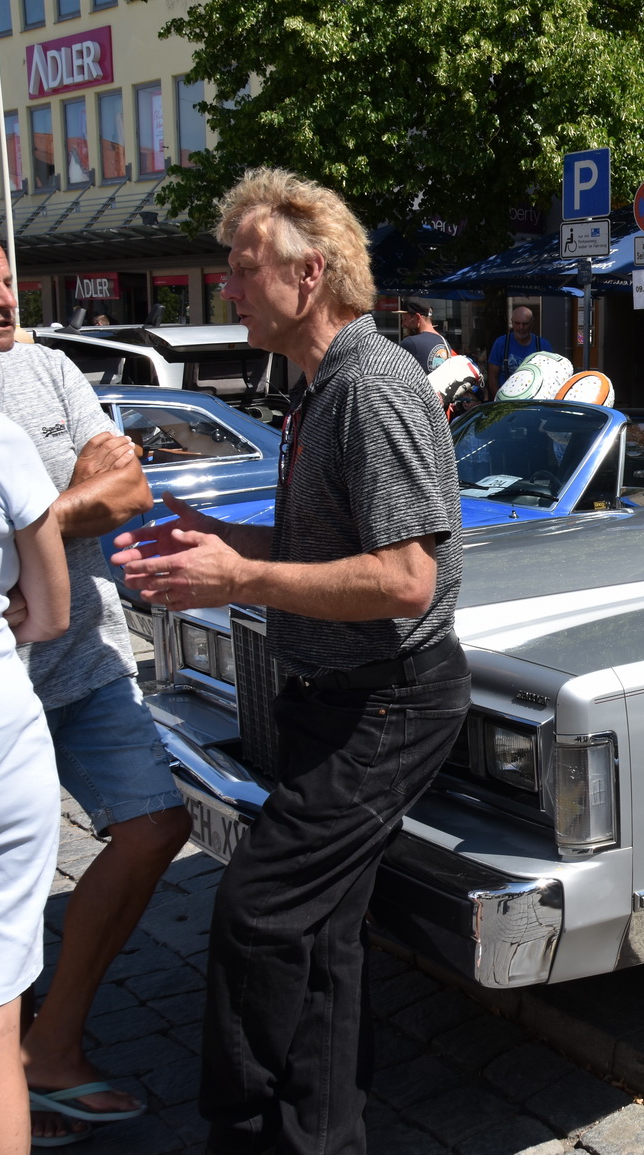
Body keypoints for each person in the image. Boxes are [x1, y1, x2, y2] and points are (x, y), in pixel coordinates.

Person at [111, 168, 467, 1155]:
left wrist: (238, 576)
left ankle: (244, 1128)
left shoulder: (372, 385)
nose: (227, 284)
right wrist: (222, 538)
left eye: (243, 265)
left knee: (258, 912)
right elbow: (327, 551)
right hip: (333, 701)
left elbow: (405, 581)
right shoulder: (317, 389)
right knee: (320, 938)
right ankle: (320, 1136)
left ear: (310, 275)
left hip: (386, 706)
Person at [0, 216, 178, 1147]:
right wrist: (47, 516)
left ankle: (49, 1044)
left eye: (6, 281)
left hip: (79, 662)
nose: (5, 300)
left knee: (155, 826)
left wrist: (15, 524)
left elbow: (131, 489)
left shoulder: (46, 371)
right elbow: (81, 502)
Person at [485, 305, 551, 396]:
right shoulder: (501, 343)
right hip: (506, 397)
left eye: (525, 324)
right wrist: (498, 400)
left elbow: (550, 377)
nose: (521, 327)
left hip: (534, 398)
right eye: (517, 323)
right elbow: (493, 377)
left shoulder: (543, 345)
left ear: (532, 323)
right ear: (512, 322)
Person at [396, 297, 451, 373]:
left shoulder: (410, 343)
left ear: (417, 318)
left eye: (405, 319)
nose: (403, 325)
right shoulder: (445, 343)